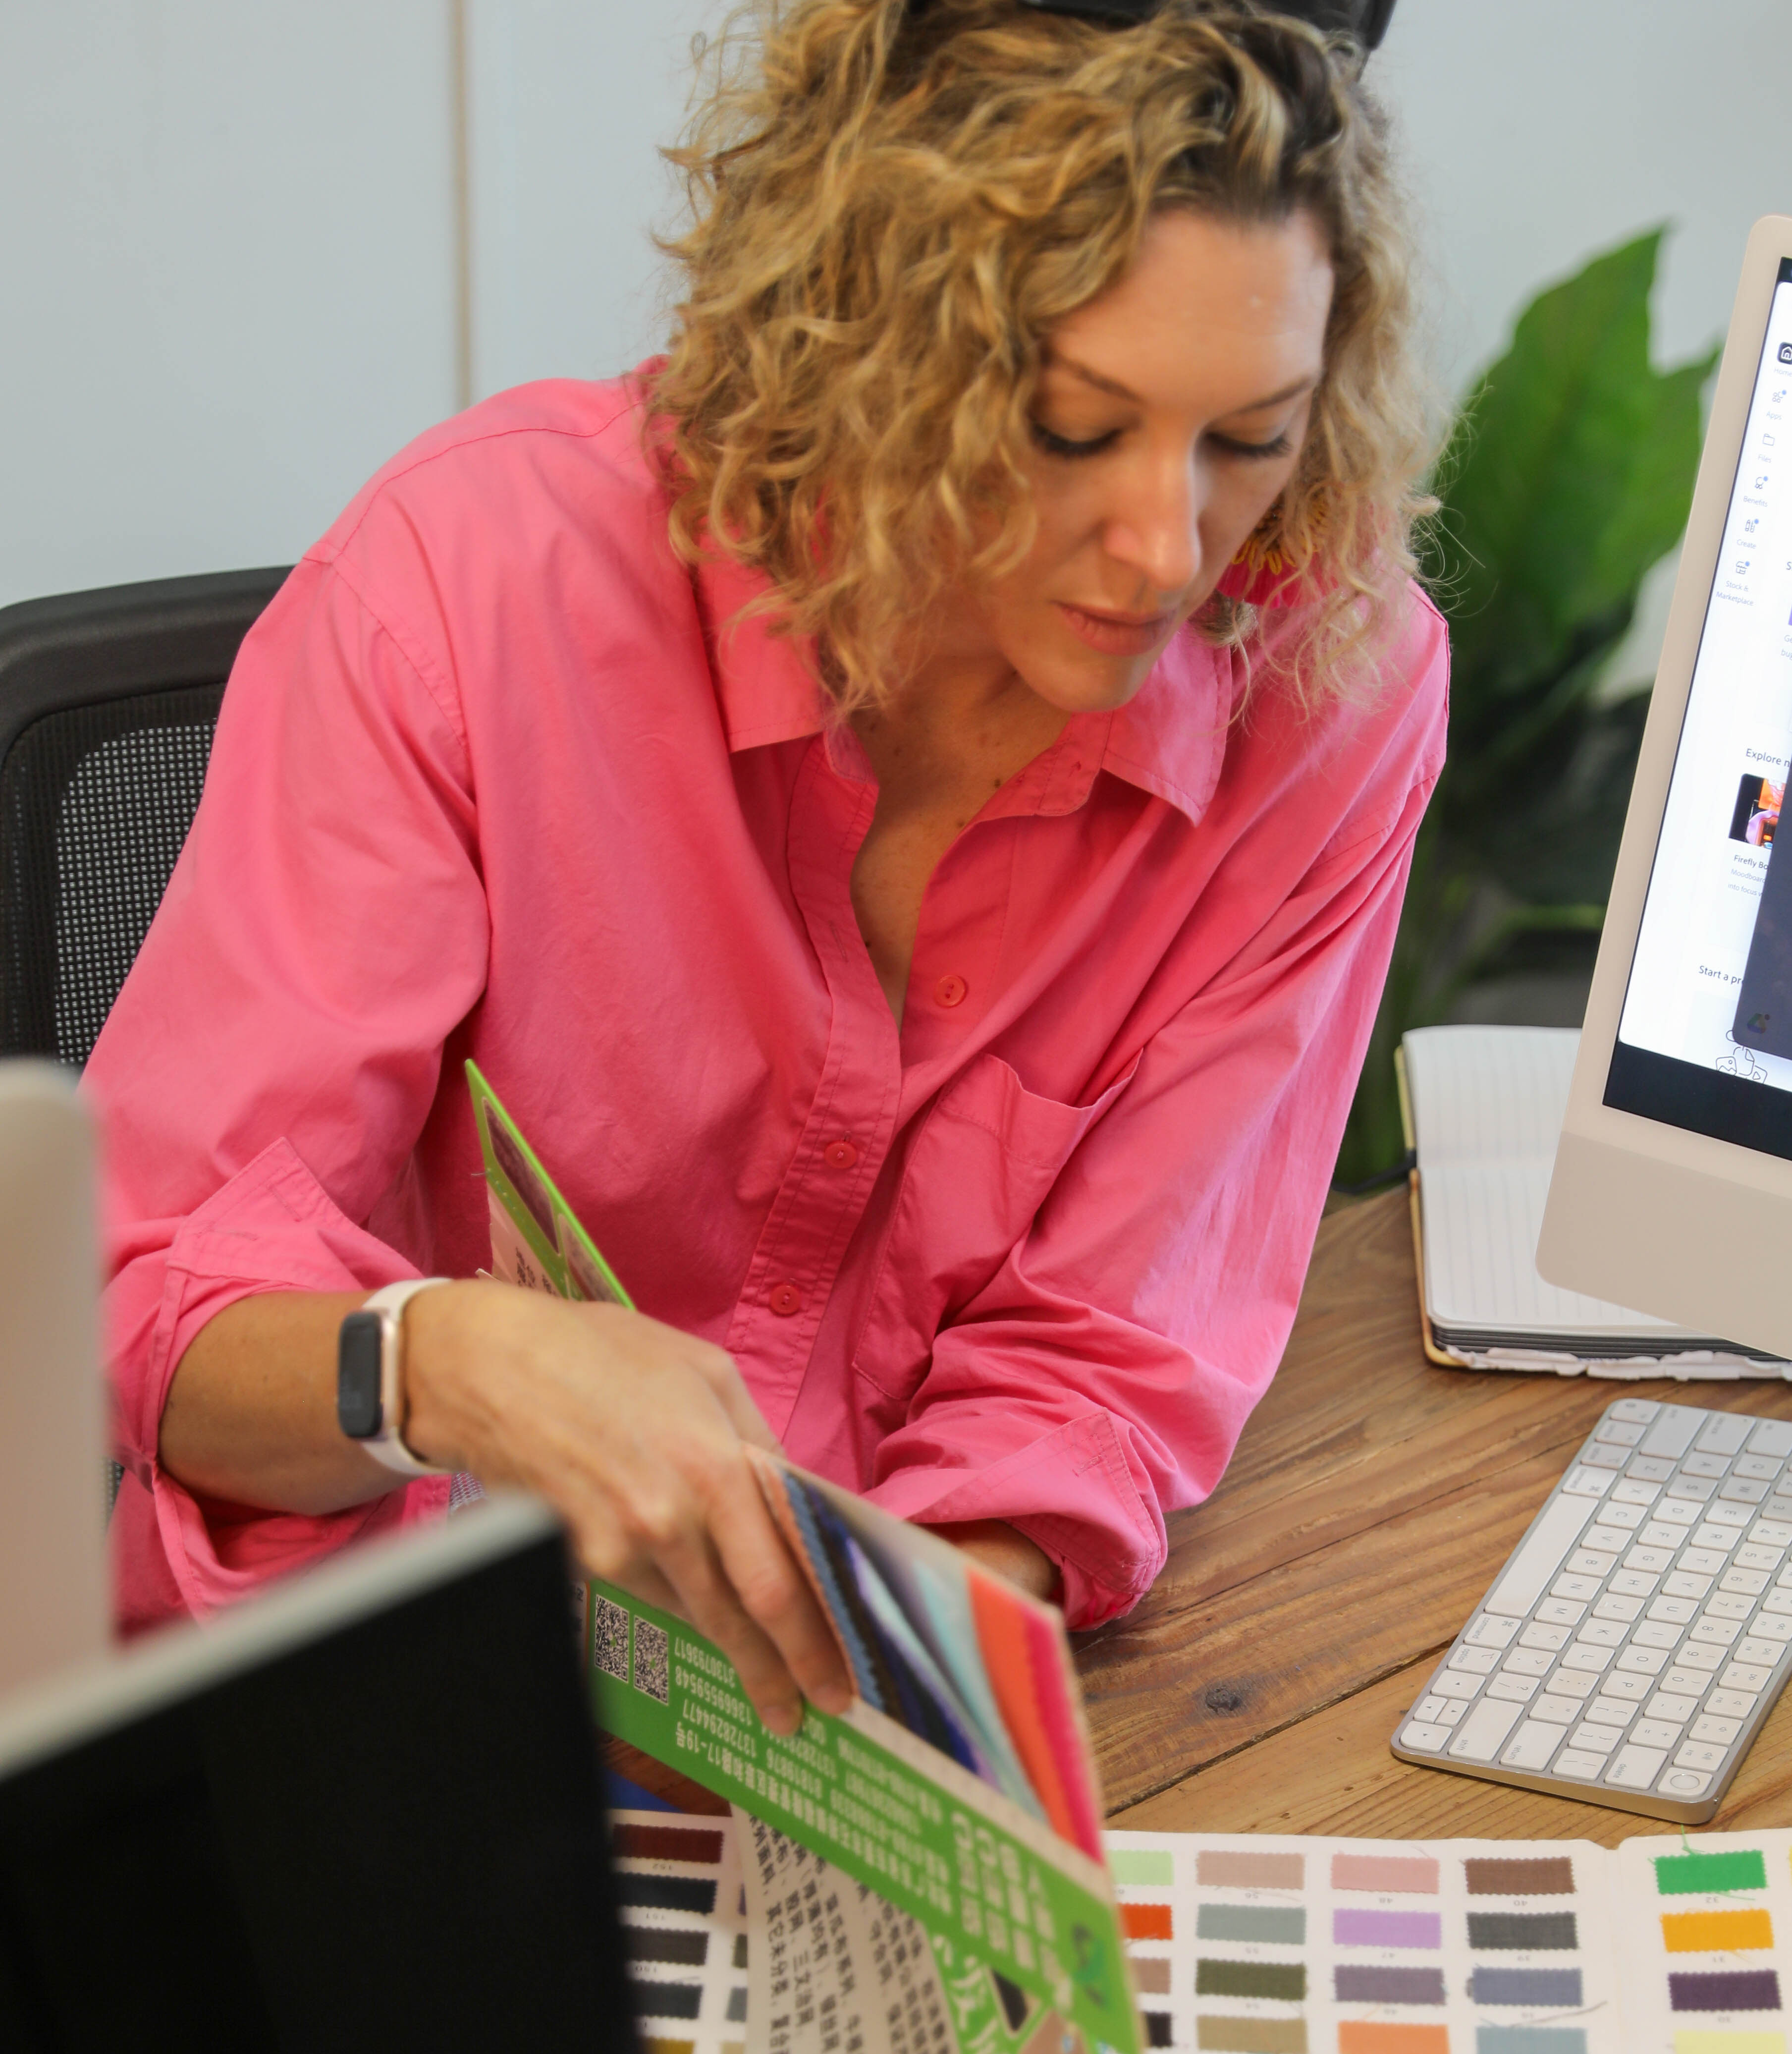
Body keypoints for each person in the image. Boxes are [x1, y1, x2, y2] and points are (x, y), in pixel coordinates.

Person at [97, 0, 1445, 1731]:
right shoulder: (472, 587)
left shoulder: (1328, 685)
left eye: (1248, 439)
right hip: (363, 1713)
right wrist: (451, 1363)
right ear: (875, 334)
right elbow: (143, 1318)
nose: (1166, 548)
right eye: (1070, 428)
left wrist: (907, 1679)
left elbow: (1100, 1367)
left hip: (809, 1743)